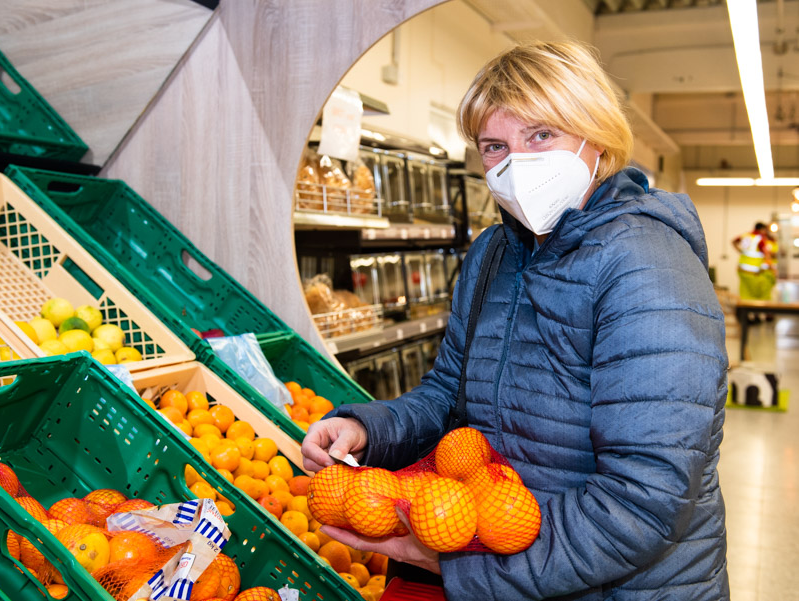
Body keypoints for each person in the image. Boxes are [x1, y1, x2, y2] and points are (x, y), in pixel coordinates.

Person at [301, 41, 728, 600]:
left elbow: (645, 498)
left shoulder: (648, 265)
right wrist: (369, 431)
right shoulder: (493, 255)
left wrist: (460, 568)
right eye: (495, 146)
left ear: (594, 136)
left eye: (541, 135)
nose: (516, 163)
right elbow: (447, 396)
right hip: (510, 562)